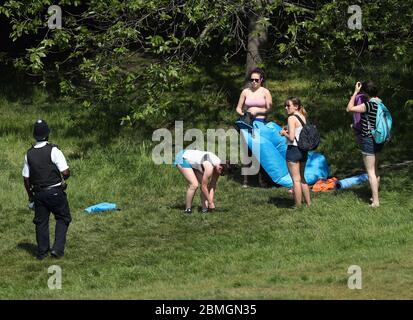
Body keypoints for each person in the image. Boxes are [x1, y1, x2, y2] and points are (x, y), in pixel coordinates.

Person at [22, 120, 71, 260]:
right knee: (63, 217)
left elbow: (26, 179)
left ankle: (42, 253)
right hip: (55, 191)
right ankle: (57, 249)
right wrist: (63, 178)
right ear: (48, 134)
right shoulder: (54, 150)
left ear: (34, 135)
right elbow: (66, 172)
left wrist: (31, 196)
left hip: (38, 194)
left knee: (41, 222)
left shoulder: (29, 154)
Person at [346, 80, 384, 207]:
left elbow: (349, 109)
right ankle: (375, 197)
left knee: (370, 172)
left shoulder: (368, 105)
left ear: (365, 92)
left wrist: (355, 92)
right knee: (375, 169)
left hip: (368, 139)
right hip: (379, 138)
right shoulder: (380, 102)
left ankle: (376, 202)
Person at [235, 68, 273, 187]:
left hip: (260, 122)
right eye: (252, 80)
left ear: (261, 80)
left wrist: (258, 111)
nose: (254, 82)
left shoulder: (265, 92)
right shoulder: (245, 92)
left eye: (256, 80)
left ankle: (262, 179)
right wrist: (244, 114)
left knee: (259, 150)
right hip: (247, 123)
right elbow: (238, 108)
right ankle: (246, 180)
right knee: (247, 151)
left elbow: (269, 108)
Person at [173, 149, 229, 214]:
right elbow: (203, 187)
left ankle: (204, 209)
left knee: (206, 185)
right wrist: (210, 202)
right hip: (183, 158)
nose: (222, 174)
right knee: (194, 184)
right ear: (220, 168)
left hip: (194, 162)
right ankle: (188, 209)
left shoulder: (219, 166)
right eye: (222, 173)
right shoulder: (209, 167)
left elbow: (212, 185)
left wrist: (211, 202)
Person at [279, 97, 311, 208]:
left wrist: (283, 133)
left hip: (293, 150)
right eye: (285, 106)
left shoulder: (291, 118)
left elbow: (292, 138)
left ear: (296, 106)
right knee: (302, 178)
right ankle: (308, 204)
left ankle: (297, 206)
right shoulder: (303, 116)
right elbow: (299, 133)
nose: (286, 108)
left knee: (296, 180)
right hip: (303, 150)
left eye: (288, 106)